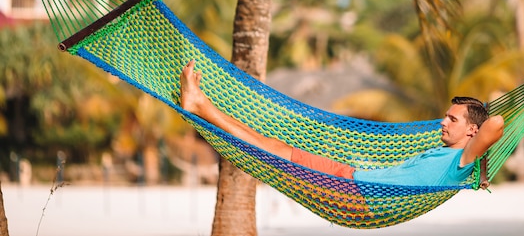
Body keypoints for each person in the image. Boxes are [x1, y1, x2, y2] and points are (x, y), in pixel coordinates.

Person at [180, 60, 504, 187]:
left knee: (274, 150)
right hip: (351, 178)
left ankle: (202, 106)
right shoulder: (452, 157)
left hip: (355, 192)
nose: (442, 123)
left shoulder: (461, 160)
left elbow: (497, 123)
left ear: (472, 131)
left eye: (451, 118)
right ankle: (203, 106)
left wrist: (487, 116)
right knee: (276, 147)